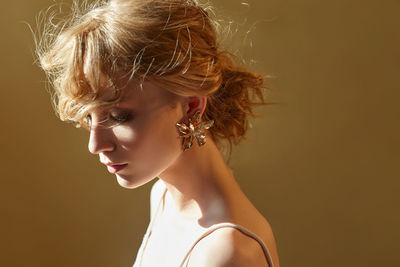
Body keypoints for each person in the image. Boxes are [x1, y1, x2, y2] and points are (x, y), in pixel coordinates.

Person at [36, 0, 280, 266]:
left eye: (119, 116)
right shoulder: (163, 196)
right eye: (89, 117)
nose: (95, 145)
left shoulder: (227, 253)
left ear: (191, 105)